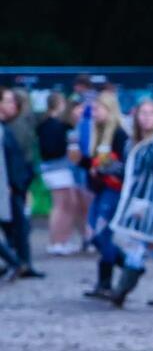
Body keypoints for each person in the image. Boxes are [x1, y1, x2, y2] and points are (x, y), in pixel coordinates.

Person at [102, 100, 153, 307]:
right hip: (136, 200)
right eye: (143, 113)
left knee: (138, 243)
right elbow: (132, 172)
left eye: (151, 113)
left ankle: (121, 291)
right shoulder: (133, 143)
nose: (146, 117)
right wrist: (110, 168)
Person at [80, 92, 129, 300]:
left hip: (114, 190)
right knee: (94, 235)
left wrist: (102, 166)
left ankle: (109, 279)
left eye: (98, 109)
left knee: (102, 234)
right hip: (101, 190)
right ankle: (127, 266)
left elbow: (125, 168)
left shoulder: (120, 135)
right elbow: (93, 164)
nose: (94, 113)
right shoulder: (97, 133)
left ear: (109, 111)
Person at [0, 88, 41, 280]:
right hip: (12, 184)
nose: (9, 105)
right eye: (6, 101)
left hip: (13, 184)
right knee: (14, 227)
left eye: (11, 101)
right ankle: (18, 262)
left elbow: (20, 160)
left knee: (18, 226)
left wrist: (18, 184)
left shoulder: (16, 127)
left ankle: (19, 263)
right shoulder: (9, 126)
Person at [36, 93, 80, 256]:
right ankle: (56, 242)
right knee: (60, 206)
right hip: (57, 168)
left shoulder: (46, 124)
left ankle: (62, 240)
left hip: (55, 169)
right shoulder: (55, 126)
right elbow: (54, 148)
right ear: (58, 104)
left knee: (67, 205)